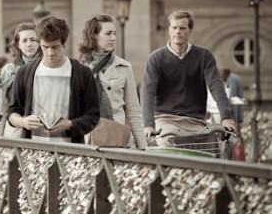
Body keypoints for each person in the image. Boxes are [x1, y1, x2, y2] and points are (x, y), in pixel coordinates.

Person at [141, 10, 236, 145]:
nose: (177, 31)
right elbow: (147, 92)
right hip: (165, 120)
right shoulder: (156, 58)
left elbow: (216, 86)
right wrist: (148, 125)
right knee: (167, 145)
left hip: (195, 121)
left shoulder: (204, 56)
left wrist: (226, 117)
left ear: (190, 31)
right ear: (169, 30)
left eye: (182, 28)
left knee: (213, 148)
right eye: (174, 27)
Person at [7, 16, 100, 143]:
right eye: (45, 47)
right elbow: (12, 112)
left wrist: (70, 124)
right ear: (40, 44)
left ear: (64, 44)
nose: (50, 52)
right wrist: (23, 122)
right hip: (33, 150)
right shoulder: (24, 73)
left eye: (55, 47)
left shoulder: (83, 73)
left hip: (70, 151)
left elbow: (93, 116)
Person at [78, 15, 147, 149]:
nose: (113, 38)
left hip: (119, 138)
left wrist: (143, 148)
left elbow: (133, 111)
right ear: (94, 36)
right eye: (108, 33)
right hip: (91, 140)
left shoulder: (124, 67)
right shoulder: (80, 68)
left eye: (114, 33)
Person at [0, 22, 40, 137]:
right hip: (15, 130)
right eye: (24, 41)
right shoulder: (8, 70)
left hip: (41, 129)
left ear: (40, 42)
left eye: (33, 40)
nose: (29, 44)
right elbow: (2, 107)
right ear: (18, 44)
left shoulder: (47, 67)